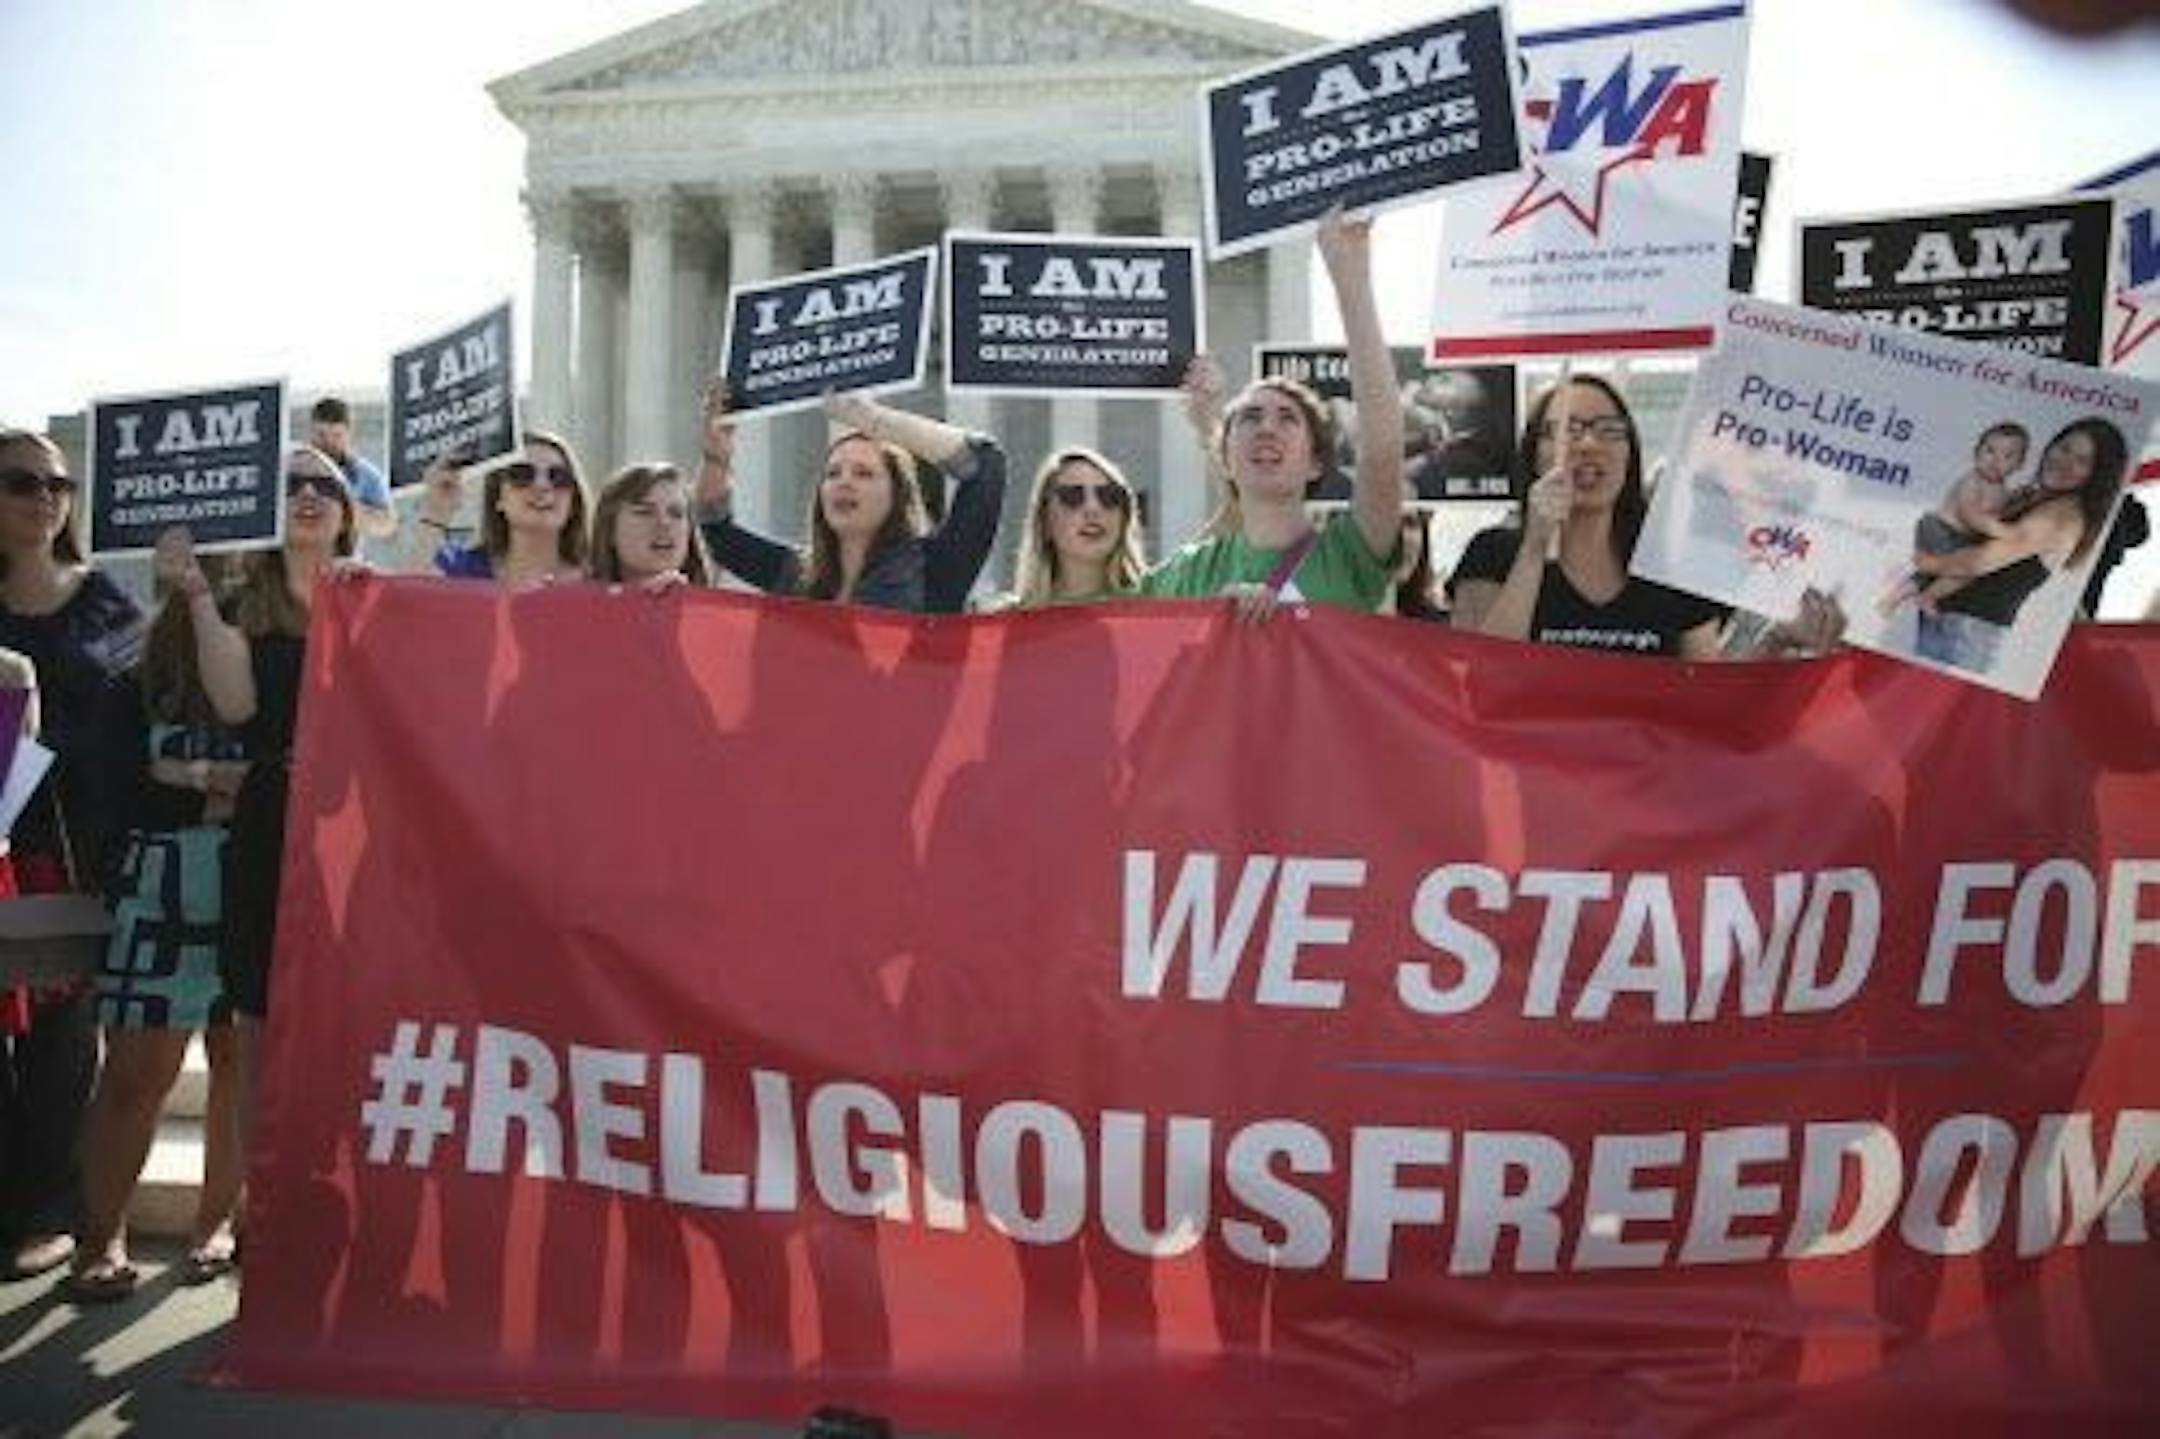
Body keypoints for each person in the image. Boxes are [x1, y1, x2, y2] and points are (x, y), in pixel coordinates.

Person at [151, 446, 358, 1163]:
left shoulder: (373, 594)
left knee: (352, 1015)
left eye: (324, 484)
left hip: (363, 828)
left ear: (347, 509)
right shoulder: (241, 603)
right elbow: (238, 703)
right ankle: (264, 1207)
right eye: (291, 484)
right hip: (273, 819)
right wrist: (197, 595)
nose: (307, 494)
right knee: (260, 1018)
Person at [63, 570, 248, 1300]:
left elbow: (283, 775)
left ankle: (214, 1222)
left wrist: (186, 771)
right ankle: (102, 1231)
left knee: (238, 1062)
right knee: (137, 1072)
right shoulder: (133, 676)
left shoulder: (271, 662)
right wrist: (217, 779)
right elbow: (118, 786)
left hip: (248, 892)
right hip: (157, 890)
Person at [0, 429, 143, 1282]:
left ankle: (46, 1210)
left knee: (58, 1043)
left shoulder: (108, 605)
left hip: (65, 855)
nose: (45, 495)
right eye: (21, 479)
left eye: (59, 482)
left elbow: (140, 714)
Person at [1145, 212, 1404, 616]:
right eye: (1249, 417)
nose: (1266, 428)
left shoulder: (1348, 555)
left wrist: (1350, 278)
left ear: (1316, 463)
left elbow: (1384, 453)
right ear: (1225, 459)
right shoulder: (1188, 573)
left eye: (1287, 418)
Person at [1449, 376, 1730, 658]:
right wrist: (1534, 549)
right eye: (1568, 430)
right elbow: (1475, 674)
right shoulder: (1491, 554)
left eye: (1609, 429)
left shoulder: (1671, 569)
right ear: (1534, 454)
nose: (1588, 444)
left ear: (1629, 454)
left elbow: (1707, 690)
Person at [695, 391, 1006, 613]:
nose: (844, 482)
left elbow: (986, 464)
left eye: (864, 474)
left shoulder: (935, 569)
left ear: (897, 495)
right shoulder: (797, 575)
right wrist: (716, 458)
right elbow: (718, 534)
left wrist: (873, 420)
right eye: (833, 473)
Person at [1910, 416, 2131, 674]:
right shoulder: (2037, 497)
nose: (2065, 462)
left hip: (1965, 635)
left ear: (2097, 475)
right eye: (2064, 448)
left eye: (2083, 461)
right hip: (1953, 625)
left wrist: (1927, 563)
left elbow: (1978, 562)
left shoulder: (2060, 516)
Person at [1877, 421, 2029, 616]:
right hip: (1940, 529)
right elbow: (1970, 514)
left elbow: (2002, 513)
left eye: (2008, 456)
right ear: (1976, 453)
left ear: (2019, 465)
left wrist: (2019, 500)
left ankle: (1892, 599)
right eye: (1990, 451)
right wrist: (2003, 532)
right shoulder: (1972, 481)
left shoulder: (2003, 491)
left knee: (1932, 574)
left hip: (1958, 539)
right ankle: (1927, 597)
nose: (1996, 460)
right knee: (1966, 570)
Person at [431, 431, 592, 587]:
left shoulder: (597, 580)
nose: (542, 485)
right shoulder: (461, 572)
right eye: (522, 474)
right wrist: (439, 510)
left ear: (574, 502)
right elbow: (412, 595)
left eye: (558, 477)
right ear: (498, 497)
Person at [1002, 447, 1147, 609]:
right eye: (1072, 496)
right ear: (1045, 521)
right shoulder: (1009, 619)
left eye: (1109, 496)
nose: (1093, 508)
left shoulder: (1153, 604)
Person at [589, 463, 715, 589]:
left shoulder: (716, 607)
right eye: (645, 512)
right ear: (610, 530)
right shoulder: (577, 601)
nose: (664, 523)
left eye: (676, 513)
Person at [308, 397, 397, 543]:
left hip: (344, 560)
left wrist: (345, 509)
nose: (328, 443)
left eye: (336, 436)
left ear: (349, 434)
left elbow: (387, 524)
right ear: (310, 431)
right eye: (321, 435)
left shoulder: (366, 475)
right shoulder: (288, 468)